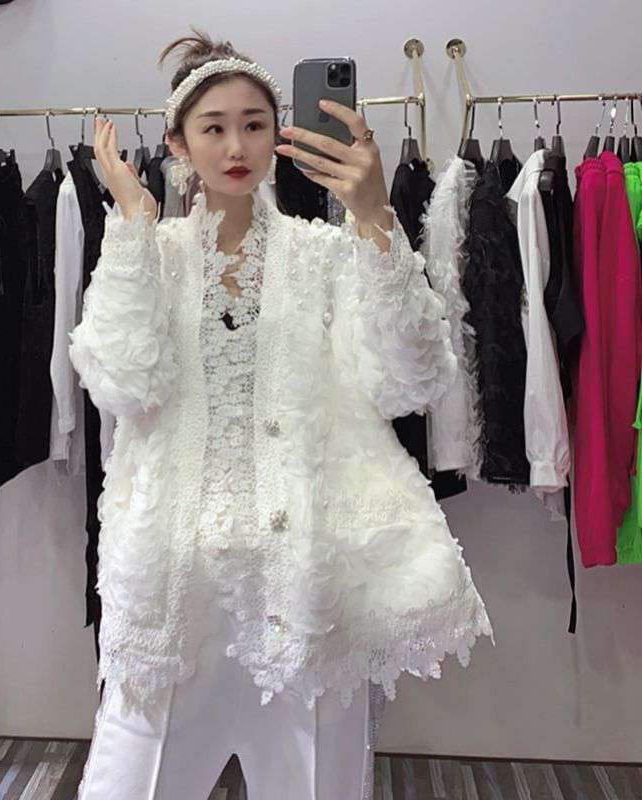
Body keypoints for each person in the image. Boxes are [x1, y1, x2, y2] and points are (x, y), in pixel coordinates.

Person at [69, 27, 494, 800]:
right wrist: (130, 222)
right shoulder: (150, 255)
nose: (236, 146)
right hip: (176, 597)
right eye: (214, 127)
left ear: (278, 135)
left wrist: (375, 220)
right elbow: (124, 385)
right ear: (177, 143)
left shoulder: (326, 256)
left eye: (254, 125)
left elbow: (410, 382)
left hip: (303, 593)